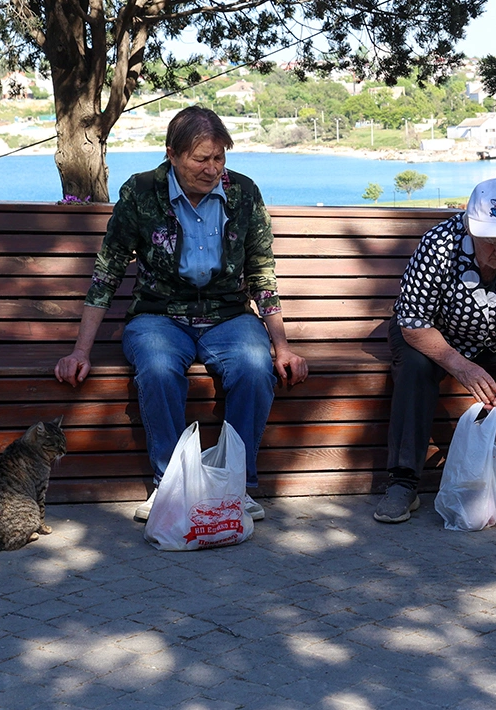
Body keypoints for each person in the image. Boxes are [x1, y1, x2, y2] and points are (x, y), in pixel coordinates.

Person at [55, 106, 307, 523]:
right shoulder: (140, 192)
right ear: (172, 154)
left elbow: (262, 273)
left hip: (228, 314)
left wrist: (282, 346)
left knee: (253, 366)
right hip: (159, 314)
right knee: (155, 367)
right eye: (201, 159)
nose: (212, 170)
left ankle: (235, 486)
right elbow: (108, 271)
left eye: (219, 158)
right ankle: (169, 485)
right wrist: (80, 351)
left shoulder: (243, 193)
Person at [374, 178, 496, 524]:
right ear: (471, 229)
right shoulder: (439, 243)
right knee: (414, 370)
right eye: (492, 241)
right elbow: (412, 321)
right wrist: (461, 366)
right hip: (436, 335)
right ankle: (403, 482)